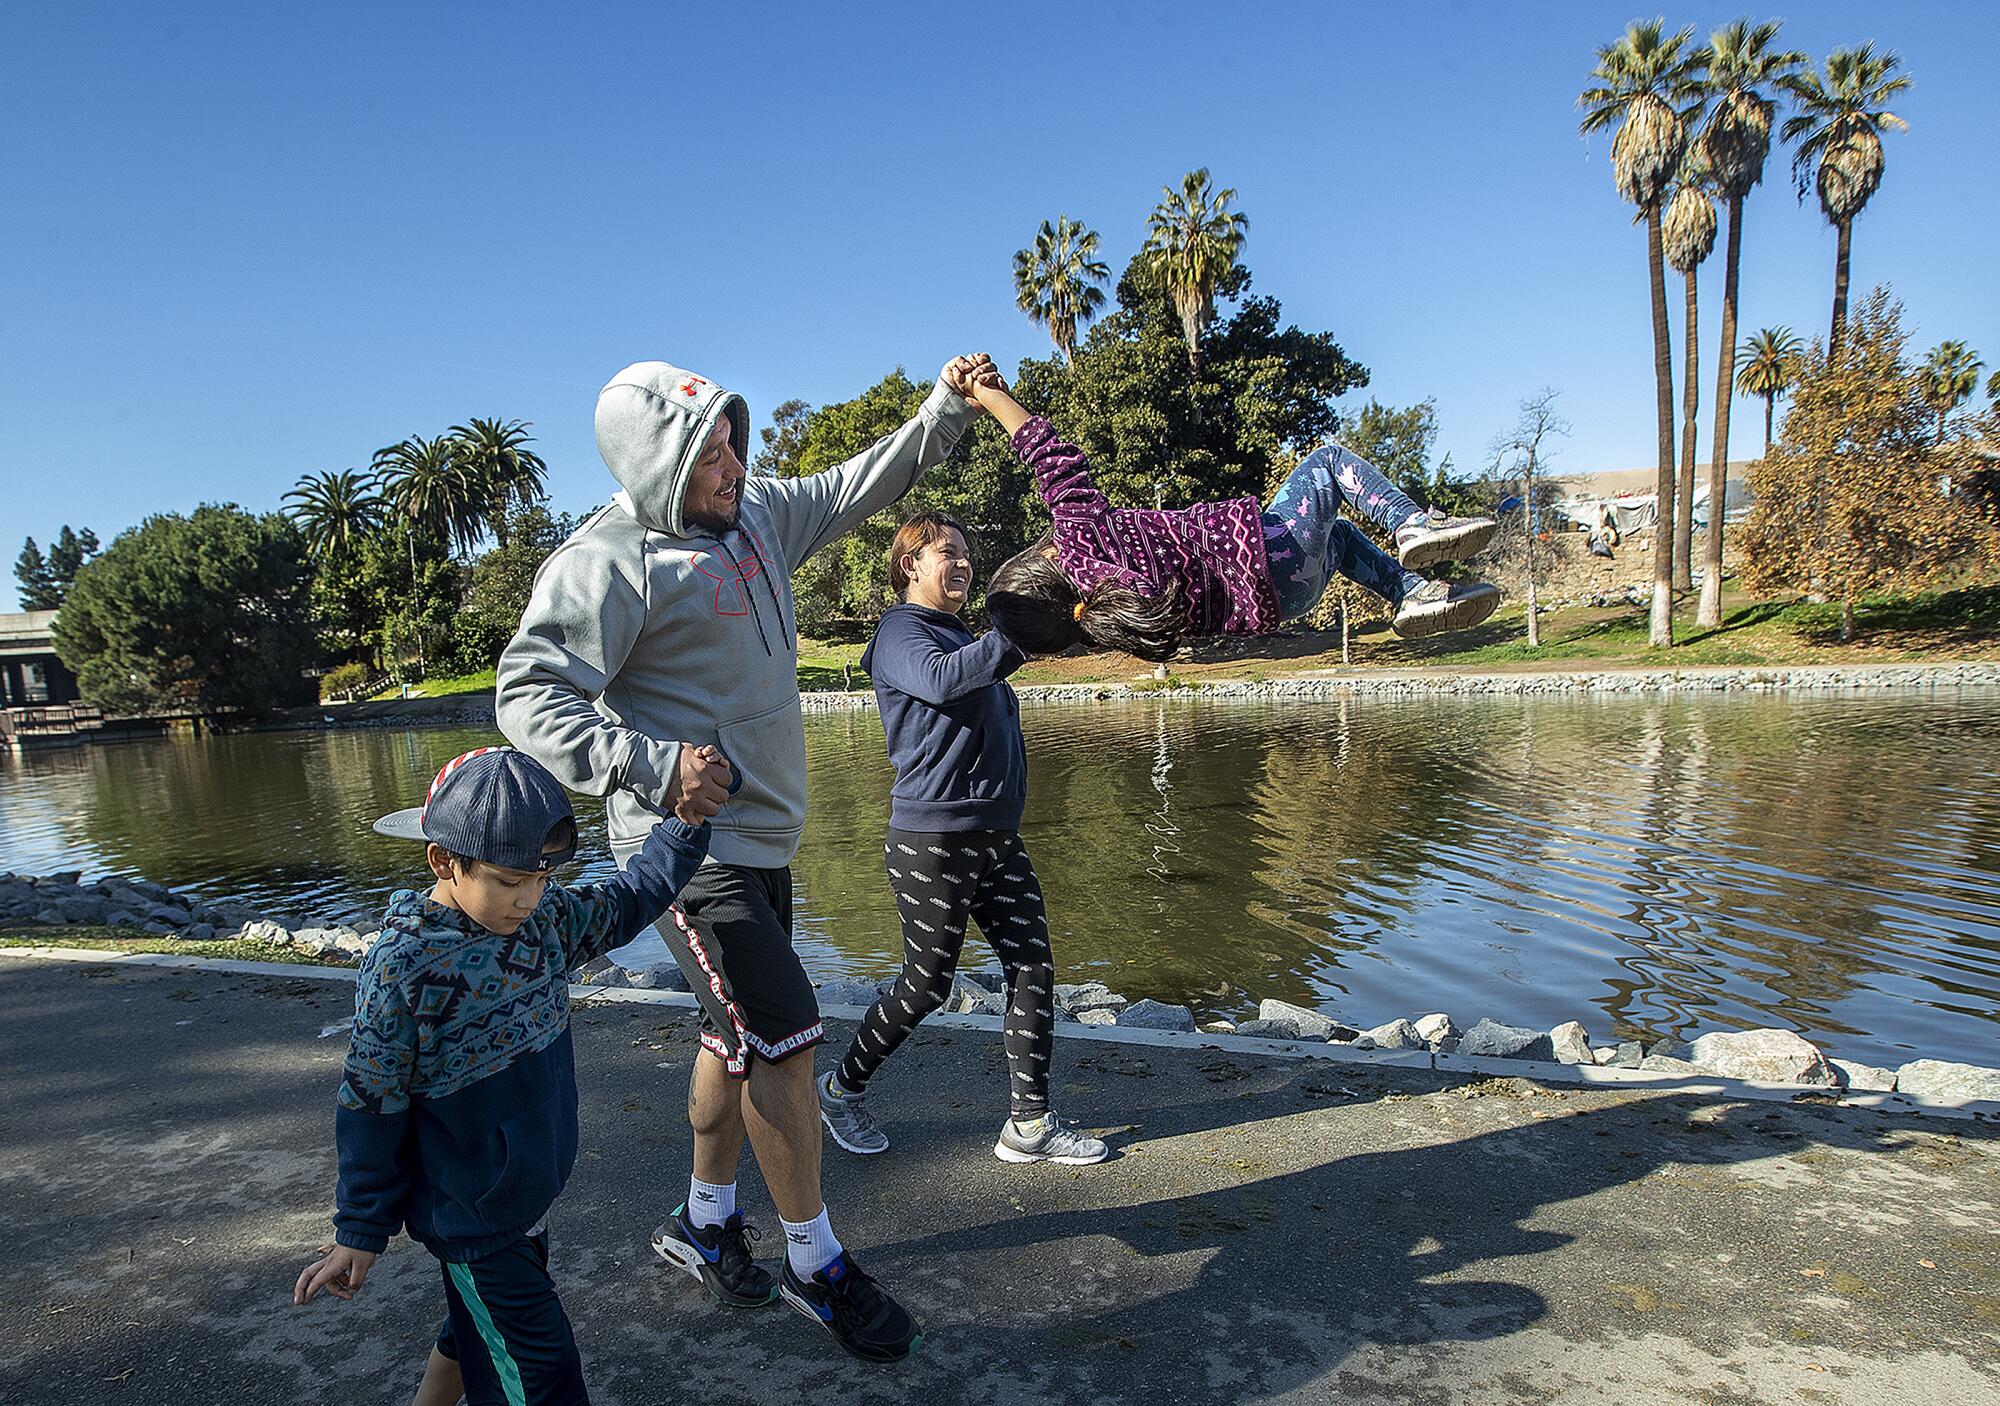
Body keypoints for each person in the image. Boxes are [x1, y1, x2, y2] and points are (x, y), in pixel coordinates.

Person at [495, 354, 988, 1363]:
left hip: (763, 839)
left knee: (733, 1041)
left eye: (732, 436)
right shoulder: (611, 559)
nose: (730, 461)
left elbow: (858, 484)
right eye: (707, 449)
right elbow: (525, 690)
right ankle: (817, 1262)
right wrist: (647, 763)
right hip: (681, 853)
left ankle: (703, 1220)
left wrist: (943, 410)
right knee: (785, 1039)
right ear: (655, 466)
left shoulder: (756, 513)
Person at [293, 745, 715, 1405]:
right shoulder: (405, 969)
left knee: (475, 1331)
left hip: (520, 1194)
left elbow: (630, 899)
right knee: (541, 1373)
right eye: (508, 881)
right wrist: (360, 1230)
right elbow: (371, 1103)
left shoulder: (543, 925)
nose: (528, 899)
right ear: (443, 861)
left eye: (542, 880)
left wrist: (684, 827)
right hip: (471, 1211)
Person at [817, 513, 1109, 1167]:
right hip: (934, 841)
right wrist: (1019, 633)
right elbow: (945, 681)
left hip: (996, 837)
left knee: (1032, 965)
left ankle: (1029, 1124)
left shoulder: (959, 634)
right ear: (909, 565)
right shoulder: (901, 631)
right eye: (946, 551)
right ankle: (839, 1090)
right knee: (926, 985)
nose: (963, 563)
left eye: (968, 554)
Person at [970, 372, 1503, 660]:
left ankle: (1408, 592)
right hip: (1271, 554)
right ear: (1042, 564)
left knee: (1338, 536)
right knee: (1329, 462)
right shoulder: (1080, 546)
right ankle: (1413, 524)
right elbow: (1050, 458)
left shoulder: (1102, 628)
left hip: (1288, 601)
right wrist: (993, 397)